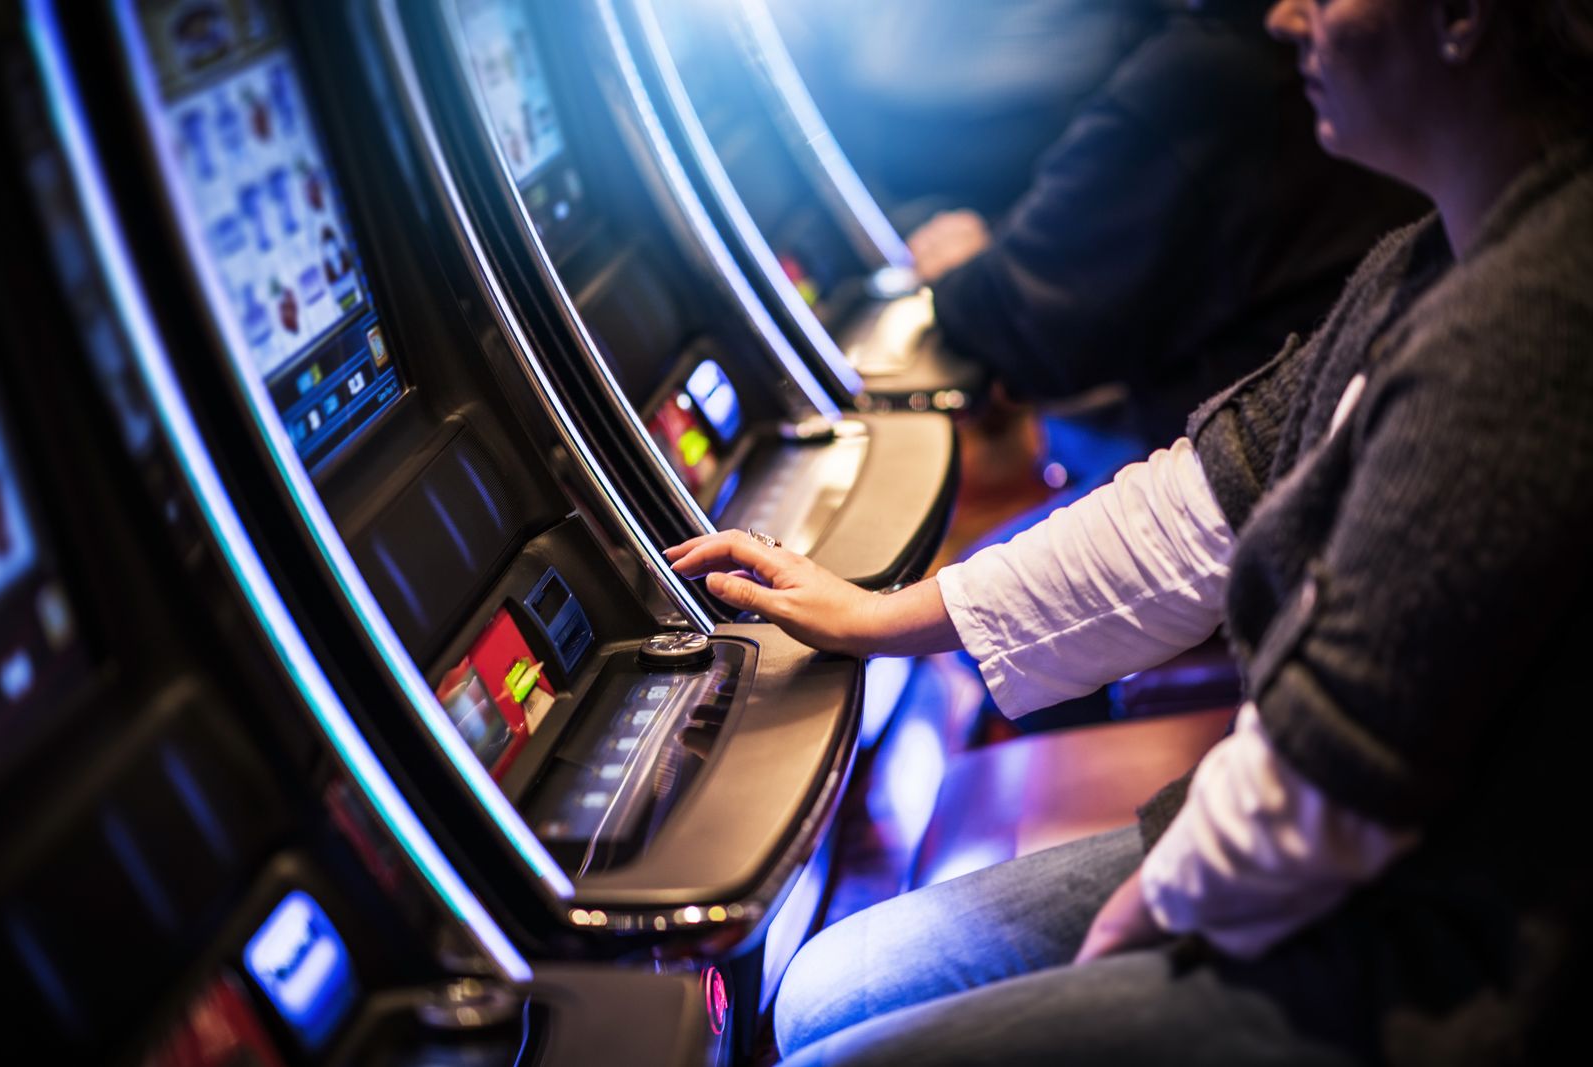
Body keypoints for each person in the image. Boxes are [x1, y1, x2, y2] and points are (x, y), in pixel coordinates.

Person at [666, 0, 1593, 1062]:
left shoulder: (1535, 317)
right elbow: (1204, 501)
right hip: (1353, 855)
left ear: (1463, 17)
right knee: (830, 985)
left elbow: (1342, 771)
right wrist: (884, 615)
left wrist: (1126, 936)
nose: (1286, 16)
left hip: (1447, 950)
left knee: (833, 1050)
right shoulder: (1434, 255)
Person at [909, 0, 1428, 451]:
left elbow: (1024, 328)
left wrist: (965, 270)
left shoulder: (1220, 71)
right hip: (1234, 459)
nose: (1287, 20)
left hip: (1215, 466)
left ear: (1458, 21)